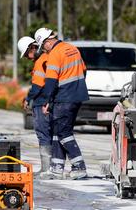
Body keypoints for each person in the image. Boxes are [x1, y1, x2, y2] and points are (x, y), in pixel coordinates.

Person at [35, 28, 89, 180]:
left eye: (43, 46)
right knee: (59, 131)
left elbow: (51, 81)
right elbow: (84, 70)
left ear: (47, 41)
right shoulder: (72, 48)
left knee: (64, 133)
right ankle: (56, 167)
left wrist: (46, 101)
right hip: (77, 96)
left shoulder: (54, 54)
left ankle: (79, 167)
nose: (44, 50)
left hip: (64, 98)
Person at [19, 36, 53, 173]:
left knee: (43, 133)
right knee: (50, 133)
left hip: (41, 102)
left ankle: (46, 168)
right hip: (47, 100)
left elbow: (38, 85)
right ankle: (53, 166)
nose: (27, 57)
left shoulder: (41, 61)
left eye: (27, 54)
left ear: (32, 48)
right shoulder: (47, 57)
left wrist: (28, 98)